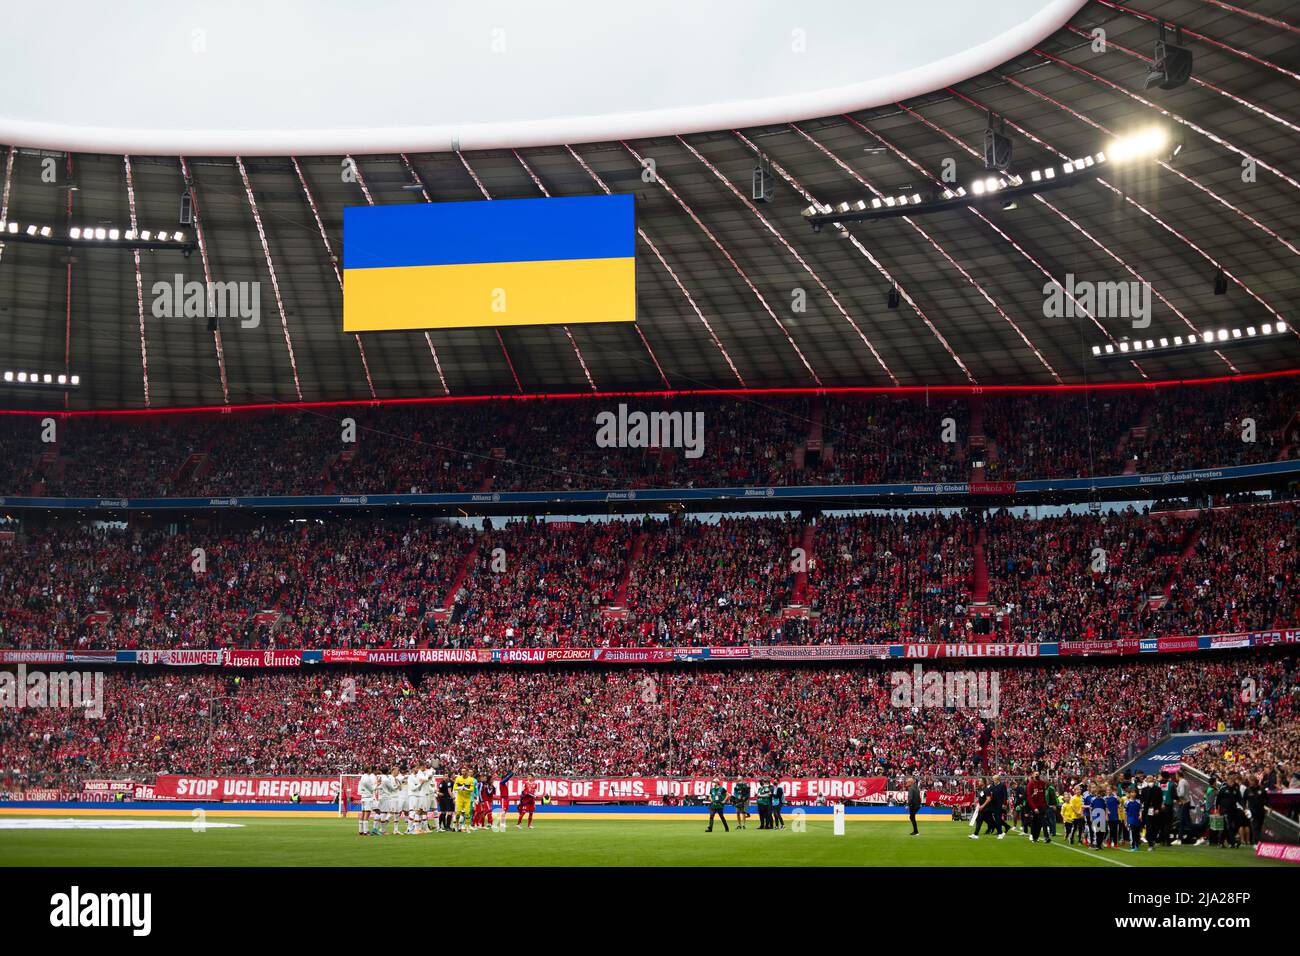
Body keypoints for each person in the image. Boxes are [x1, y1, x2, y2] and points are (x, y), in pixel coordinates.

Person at [1025, 771, 1047, 843]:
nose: (1037, 775)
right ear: (1033, 775)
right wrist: (1034, 808)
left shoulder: (1042, 783)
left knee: (1042, 821)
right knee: (1035, 822)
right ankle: (1034, 836)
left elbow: (1044, 794)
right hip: (1034, 806)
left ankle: (1044, 836)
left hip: (1042, 805)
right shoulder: (1030, 784)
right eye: (1036, 774)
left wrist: (1045, 804)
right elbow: (1029, 797)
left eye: (1038, 774)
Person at [357, 767, 379, 837]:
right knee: (367, 814)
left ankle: (361, 831)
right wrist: (377, 784)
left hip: (363, 797)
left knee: (363, 814)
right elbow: (372, 789)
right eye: (370, 769)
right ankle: (365, 831)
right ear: (368, 770)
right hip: (368, 798)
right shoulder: (367, 778)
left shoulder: (363, 777)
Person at [453, 766, 475, 833]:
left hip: (467, 799)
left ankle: (467, 827)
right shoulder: (458, 778)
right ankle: (456, 825)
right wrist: (460, 788)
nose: (463, 772)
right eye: (462, 771)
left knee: (467, 813)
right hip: (460, 798)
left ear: (467, 772)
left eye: (464, 771)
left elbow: (472, 789)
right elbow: (454, 787)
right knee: (458, 813)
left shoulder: (471, 779)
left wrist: (466, 789)